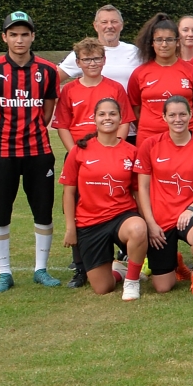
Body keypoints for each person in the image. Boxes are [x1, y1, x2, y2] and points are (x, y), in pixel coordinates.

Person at [0, 10, 60, 291]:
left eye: (25, 34)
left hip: (39, 152)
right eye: (13, 34)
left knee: (43, 213)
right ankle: (4, 273)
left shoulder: (48, 70)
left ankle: (41, 269)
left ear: (33, 36)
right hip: (3, 154)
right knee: (0, 214)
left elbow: (46, 112)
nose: (19, 39)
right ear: (5, 37)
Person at [133, 94, 193, 294]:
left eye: (183, 114)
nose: (178, 119)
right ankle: (176, 263)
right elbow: (143, 188)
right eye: (172, 115)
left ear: (191, 115)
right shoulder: (150, 145)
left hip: (190, 213)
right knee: (163, 287)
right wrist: (150, 223)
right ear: (164, 117)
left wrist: (191, 208)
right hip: (160, 218)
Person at [59, 96, 147, 298]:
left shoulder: (132, 152)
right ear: (94, 118)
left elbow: (138, 191)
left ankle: (132, 281)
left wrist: (147, 223)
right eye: (102, 114)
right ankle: (120, 272)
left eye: (112, 114)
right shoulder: (79, 150)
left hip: (122, 216)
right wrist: (70, 228)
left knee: (138, 229)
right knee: (103, 288)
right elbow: (69, 192)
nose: (107, 118)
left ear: (120, 118)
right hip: (90, 222)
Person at [126, 14, 193, 137]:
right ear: (152, 43)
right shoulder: (139, 73)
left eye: (169, 39)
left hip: (184, 137)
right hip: (148, 137)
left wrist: (180, 126)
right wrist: (152, 126)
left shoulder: (192, 72)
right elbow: (135, 110)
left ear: (177, 42)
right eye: (159, 40)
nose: (164, 45)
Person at [59, 4, 139, 88]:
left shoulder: (135, 51)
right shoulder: (84, 52)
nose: (109, 26)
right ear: (95, 26)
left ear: (121, 25)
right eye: (104, 22)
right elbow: (53, 79)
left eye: (114, 22)